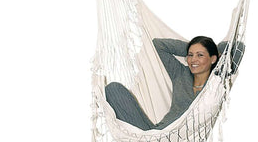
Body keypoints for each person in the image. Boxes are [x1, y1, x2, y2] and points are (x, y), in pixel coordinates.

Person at [105, 36, 244, 131]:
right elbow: (157, 45)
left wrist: (213, 52)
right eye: (190, 55)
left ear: (214, 59)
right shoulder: (180, 73)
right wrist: (193, 48)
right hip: (157, 134)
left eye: (200, 55)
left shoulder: (217, 81)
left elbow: (238, 47)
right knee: (113, 89)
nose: (193, 60)